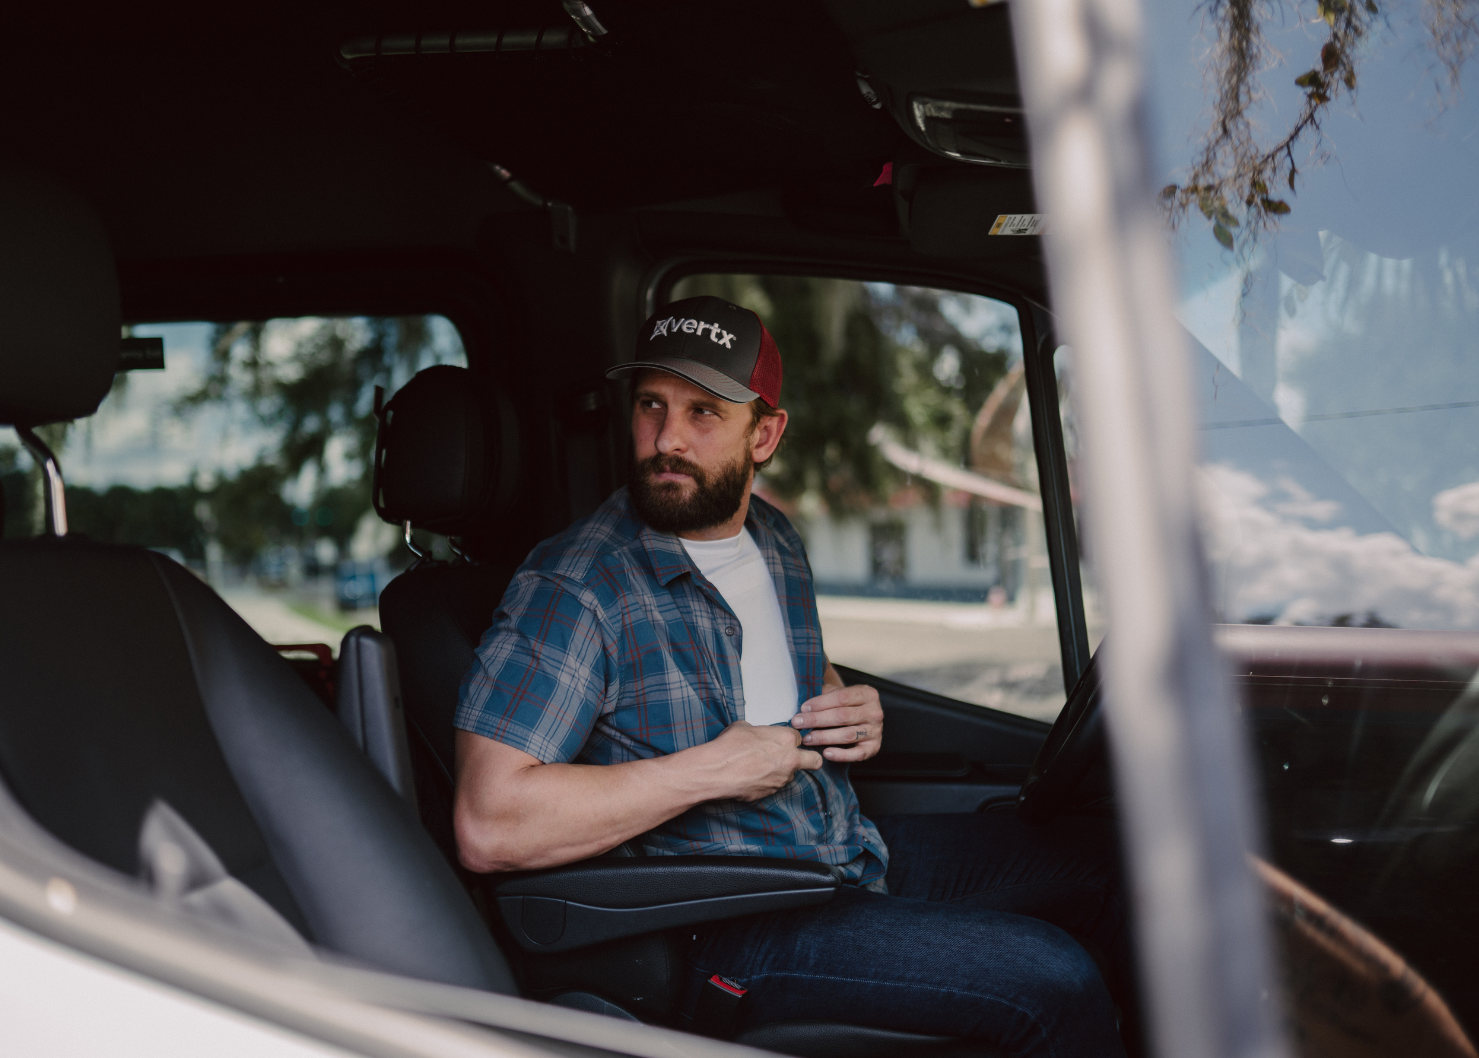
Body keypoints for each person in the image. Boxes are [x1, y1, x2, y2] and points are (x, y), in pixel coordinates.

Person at [454, 295, 1131, 1058]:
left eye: (705, 412)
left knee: (1114, 865)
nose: (666, 439)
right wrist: (707, 771)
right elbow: (490, 822)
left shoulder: (772, 540)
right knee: (1056, 979)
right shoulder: (576, 586)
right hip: (720, 923)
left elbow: (787, 675)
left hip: (840, 849)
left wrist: (847, 704)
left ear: (765, 434)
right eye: (651, 405)